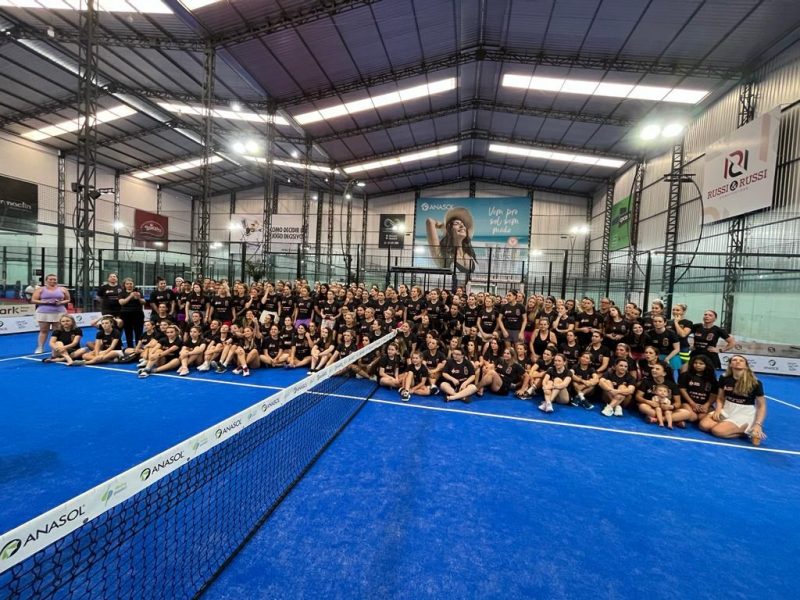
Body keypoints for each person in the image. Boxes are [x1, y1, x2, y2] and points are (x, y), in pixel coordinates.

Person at [699, 355, 767, 445]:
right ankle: (734, 427)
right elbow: (720, 397)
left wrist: (758, 424)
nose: (737, 361)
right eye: (734, 360)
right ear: (730, 364)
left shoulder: (755, 383)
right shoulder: (724, 378)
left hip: (744, 412)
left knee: (717, 431)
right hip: (727, 409)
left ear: (746, 365)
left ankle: (749, 430)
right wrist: (718, 409)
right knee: (704, 425)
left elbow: (761, 405)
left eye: (741, 360)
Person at [425, 207, 477, 273]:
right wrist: (443, 225)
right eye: (456, 224)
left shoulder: (470, 254)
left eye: (463, 224)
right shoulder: (442, 255)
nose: (462, 226)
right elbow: (430, 221)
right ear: (449, 230)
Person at [31, 274, 70, 354]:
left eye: (54, 279)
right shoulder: (40, 289)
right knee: (43, 330)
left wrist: (61, 302)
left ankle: (56, 348)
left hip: (59, 312)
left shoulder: (63, 289)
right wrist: (44, 302)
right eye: (50, 279)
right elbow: (33, 300)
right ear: (46, 280)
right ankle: (40, 347)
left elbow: (68, 299)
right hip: (43, 312)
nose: (53, 281)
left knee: (57, 331)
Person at [678, 354, 719, 422]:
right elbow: (682, 390)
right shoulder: (685, 375)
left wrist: (706, 405)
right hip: (688, 402)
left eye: (701, 363)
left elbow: (714, 394)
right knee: (692, 417)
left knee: (702, 417)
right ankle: (679, 418)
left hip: (703, 404)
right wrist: (692, 403)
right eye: (695, 363)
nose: (698, 365)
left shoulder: (712, 379)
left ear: (707, 365)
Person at [118, 277, 146, 349]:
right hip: (126, 314)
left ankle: (138, 347)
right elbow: (122, 302)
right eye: (127, 284)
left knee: (139, 332)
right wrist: (130, 296)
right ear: (124, 285)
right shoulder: (122, 293)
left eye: (131, 284)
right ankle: (130, 347)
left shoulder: (138, 292)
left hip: (138, 314)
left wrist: (139, 298)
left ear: (133, 284)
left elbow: (144, 302)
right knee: (128, 331)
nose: (129, 285)